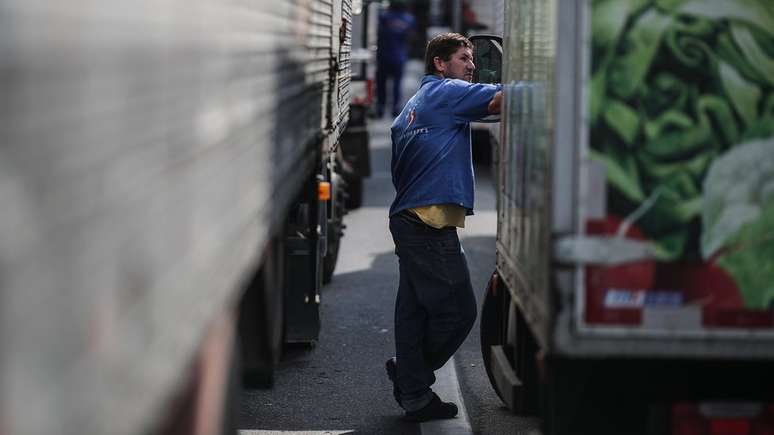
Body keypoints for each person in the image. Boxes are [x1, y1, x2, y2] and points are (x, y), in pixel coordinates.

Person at [386, 32, 502, 422]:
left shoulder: (416, 104)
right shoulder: (447, 92)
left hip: (409, 218)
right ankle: (411, 377)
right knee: (457, 311)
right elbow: (502, 99)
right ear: (440, 62)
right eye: (465, 58)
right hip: (426, 224)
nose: (472, 66)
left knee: (414, 312)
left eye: (472, 59)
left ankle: (416, 394)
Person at [375, 0, 416, 118]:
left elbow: (378, 33)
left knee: (381, 83)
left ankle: (380, 108)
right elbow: (411, 37)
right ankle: (395, 109)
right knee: (397, 83)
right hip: (399, 57)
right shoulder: (409, 19)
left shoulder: (384, 17)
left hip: (383, 56)